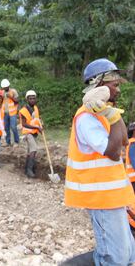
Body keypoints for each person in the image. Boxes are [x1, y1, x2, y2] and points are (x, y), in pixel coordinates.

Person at [61, 58, 135, 265]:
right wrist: (109, 115)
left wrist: (111, 113)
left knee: (129, 256)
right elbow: (112, 152)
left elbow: (122, 140)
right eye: (115, 85)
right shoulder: (86, 117)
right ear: (100, 86)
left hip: (114, 196)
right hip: (100, 198)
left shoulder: (101, 113)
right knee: (114, 258)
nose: (118, 90)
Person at [19, 90, 42, 178]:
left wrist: (40, 124)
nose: (32, 100)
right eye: (30, 98)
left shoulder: (35, 108)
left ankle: (27, 169)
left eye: (33, 98)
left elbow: (37, 118)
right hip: (27, 133)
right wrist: (36, 127)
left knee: (30, 151)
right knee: (34, 149)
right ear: (27, 99)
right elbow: (24, 124)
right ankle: (29, 170)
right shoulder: (23, 110)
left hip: (34, 133)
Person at [1, 79, 20, 146]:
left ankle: (16, 141)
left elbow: (17, 101)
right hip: (5, 113)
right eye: (3, 87)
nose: (4, 88)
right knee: (6, 128)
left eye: (5, 87)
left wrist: (11, 97)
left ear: (8, 86)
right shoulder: (2, 92)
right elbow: (1, 101)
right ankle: (7, 142)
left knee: (13, 127)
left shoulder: (13, 91)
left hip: (12, 113)